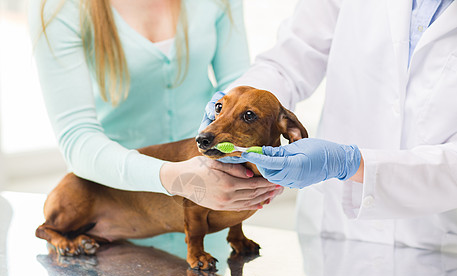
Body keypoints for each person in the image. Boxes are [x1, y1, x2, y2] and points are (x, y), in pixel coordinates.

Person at [201, 0, 457, 251]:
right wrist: (235, 107)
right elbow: (290, 58)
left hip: (434, 239)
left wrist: (347, 163)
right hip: (333, 228)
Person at [29, 0, 281, 211]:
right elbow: (77, 138)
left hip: (211, 207)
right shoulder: (60, 7)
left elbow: (238, 88)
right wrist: (178, 178)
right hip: (115, 209)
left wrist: (269, 160)